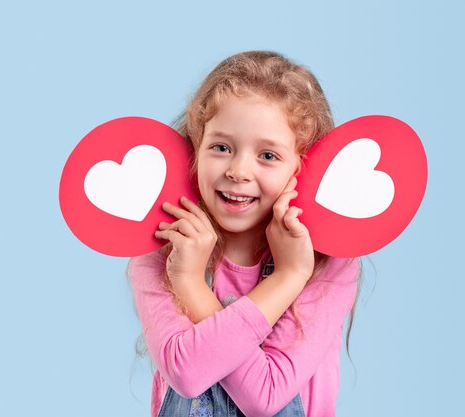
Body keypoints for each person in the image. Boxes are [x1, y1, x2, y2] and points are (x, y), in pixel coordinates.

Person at [129, 51, 361, 417]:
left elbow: (265, 397)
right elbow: (187, 373)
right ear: (195, 147)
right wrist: (188, 278)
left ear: (304, 166)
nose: (238, 171)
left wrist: (290, 272)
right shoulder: (161, 251)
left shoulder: (329, 263)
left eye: (268, 156)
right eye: (221, 148)